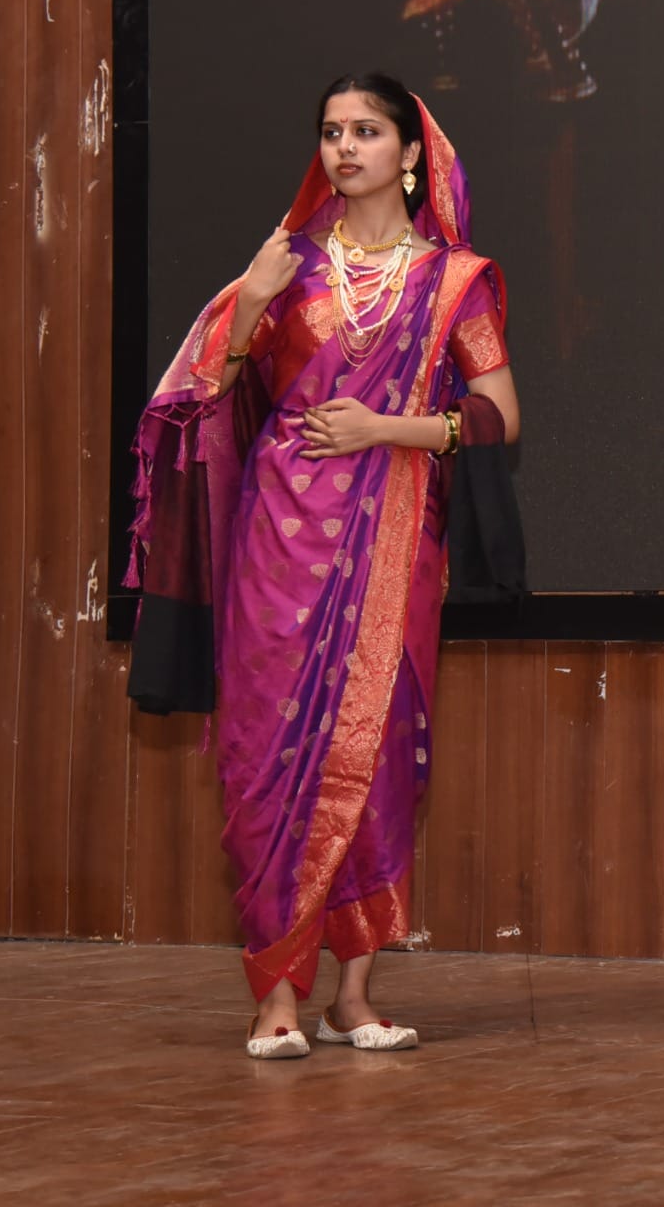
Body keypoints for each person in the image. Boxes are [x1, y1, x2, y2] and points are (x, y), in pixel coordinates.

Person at [126, 75, 524, 1059]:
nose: (346, 147)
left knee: (373, 755)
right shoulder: (286, 266)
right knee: (264, 750)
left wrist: (385, 428)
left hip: (393, 535)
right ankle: (275, 996)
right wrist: (249, 305)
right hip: (276, 538)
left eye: (368, 131)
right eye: (332, 132)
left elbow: (498, 416)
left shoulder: (455, 280)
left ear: (411, 153)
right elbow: (203, 400)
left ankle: (353, 997)